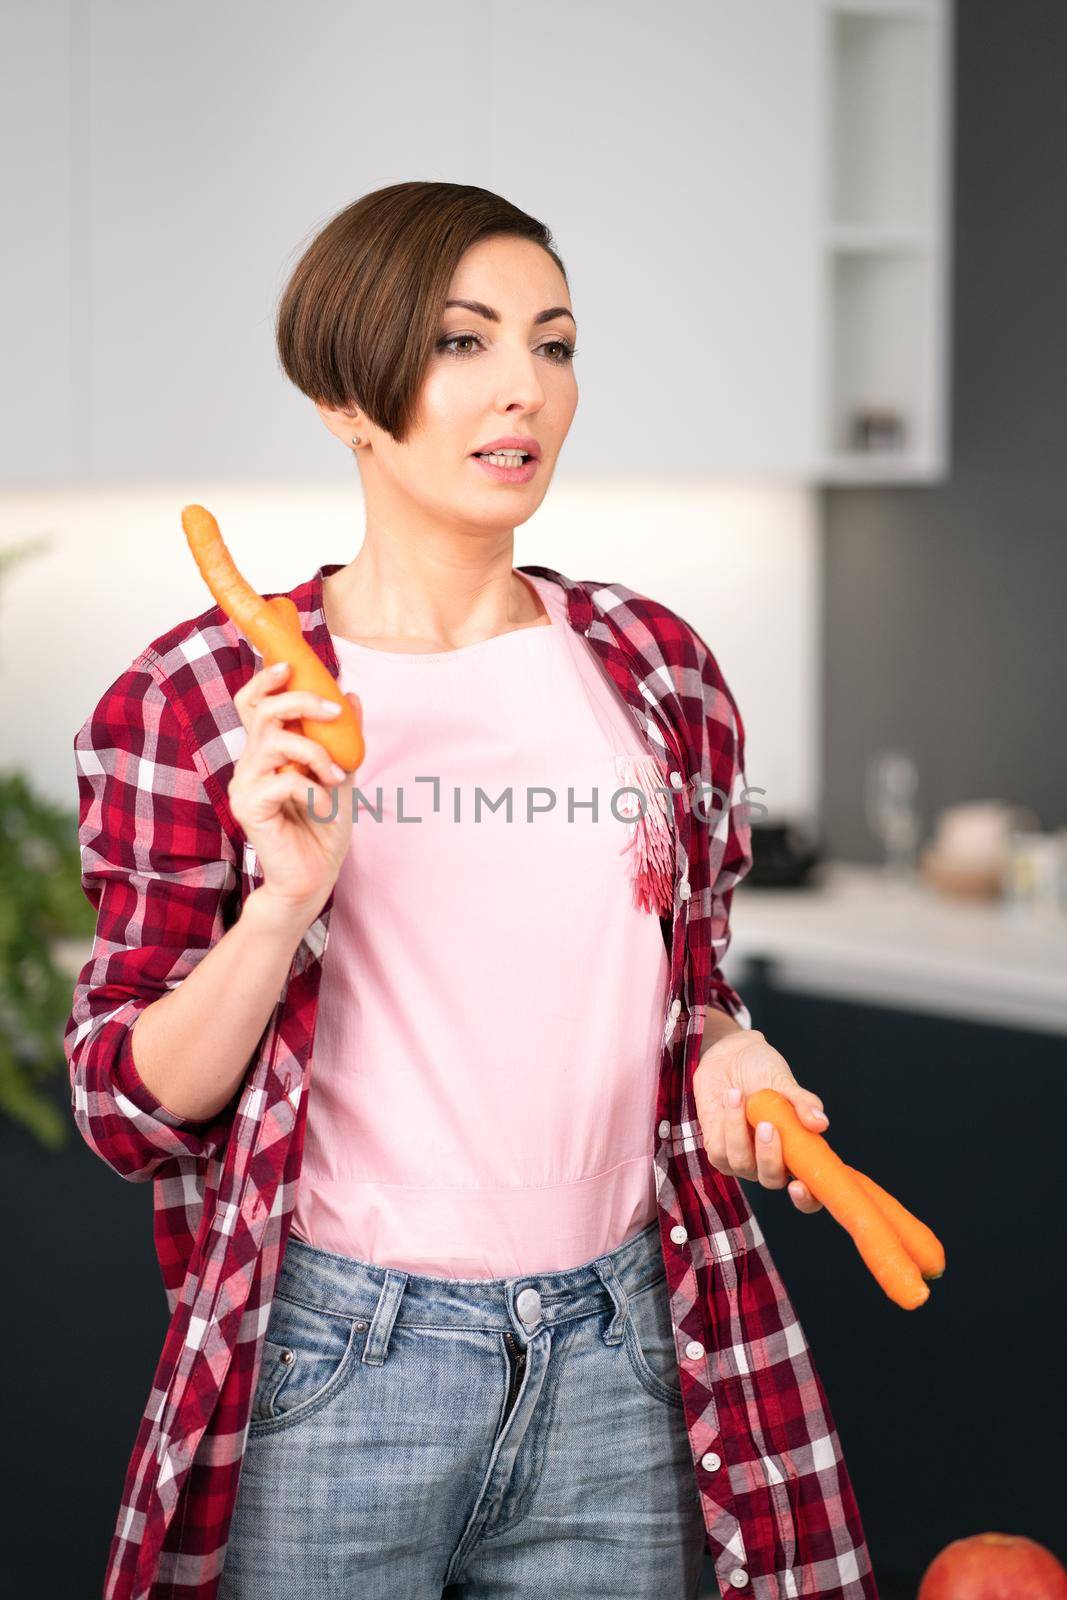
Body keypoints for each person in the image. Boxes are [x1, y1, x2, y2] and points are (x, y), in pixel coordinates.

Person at [65, 182, 878, 1599]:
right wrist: (281, 903)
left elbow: (684, 990)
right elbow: (130, 1107)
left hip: (626, 1347)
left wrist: (728, 1056)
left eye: (554, 345)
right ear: (343, 394)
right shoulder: (204, 698)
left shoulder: (652, 666)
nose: (525, 393)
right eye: (464, 343)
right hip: (338, 1363)